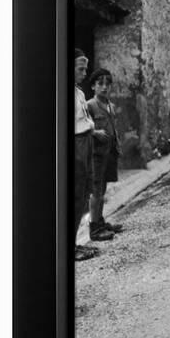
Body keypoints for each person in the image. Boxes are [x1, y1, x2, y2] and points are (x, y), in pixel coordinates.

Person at [87, 68, 123, 240]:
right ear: (93, 86)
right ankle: (94, 229)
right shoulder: (90, 106)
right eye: (100, 83)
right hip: (96, 155)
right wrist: (95, 133)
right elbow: (82, 127)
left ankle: (101, 222)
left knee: (103, 189)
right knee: (96, 192)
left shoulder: (110, 105)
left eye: (107, 84)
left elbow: (113, 128)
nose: (104, 87)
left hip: (109, 153)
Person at [74, 49, 102, 261]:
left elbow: (84, 121)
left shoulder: (80, 93)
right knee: (74, 196)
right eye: (80, 69)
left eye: (85, 68)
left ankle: (74, 243)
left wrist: (93, 131)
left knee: (84, 194)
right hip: (76, 147)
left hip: (86, 142)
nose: (84, 73)